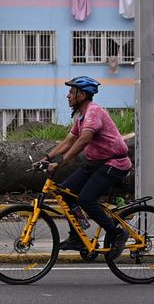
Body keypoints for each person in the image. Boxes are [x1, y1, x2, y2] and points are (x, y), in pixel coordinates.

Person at [37, 76, 132, 260]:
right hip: (97, 163)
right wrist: (46, 158)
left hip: (115, 163)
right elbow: (69, 140)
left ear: (82, 95)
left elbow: (84, 139)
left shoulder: (93, 112)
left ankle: (117, 233)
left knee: (86, 199)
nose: (68, 96)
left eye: (71, 93)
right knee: (65, 193)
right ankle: (77, 237)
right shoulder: (80, 115)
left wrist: (61, 162)